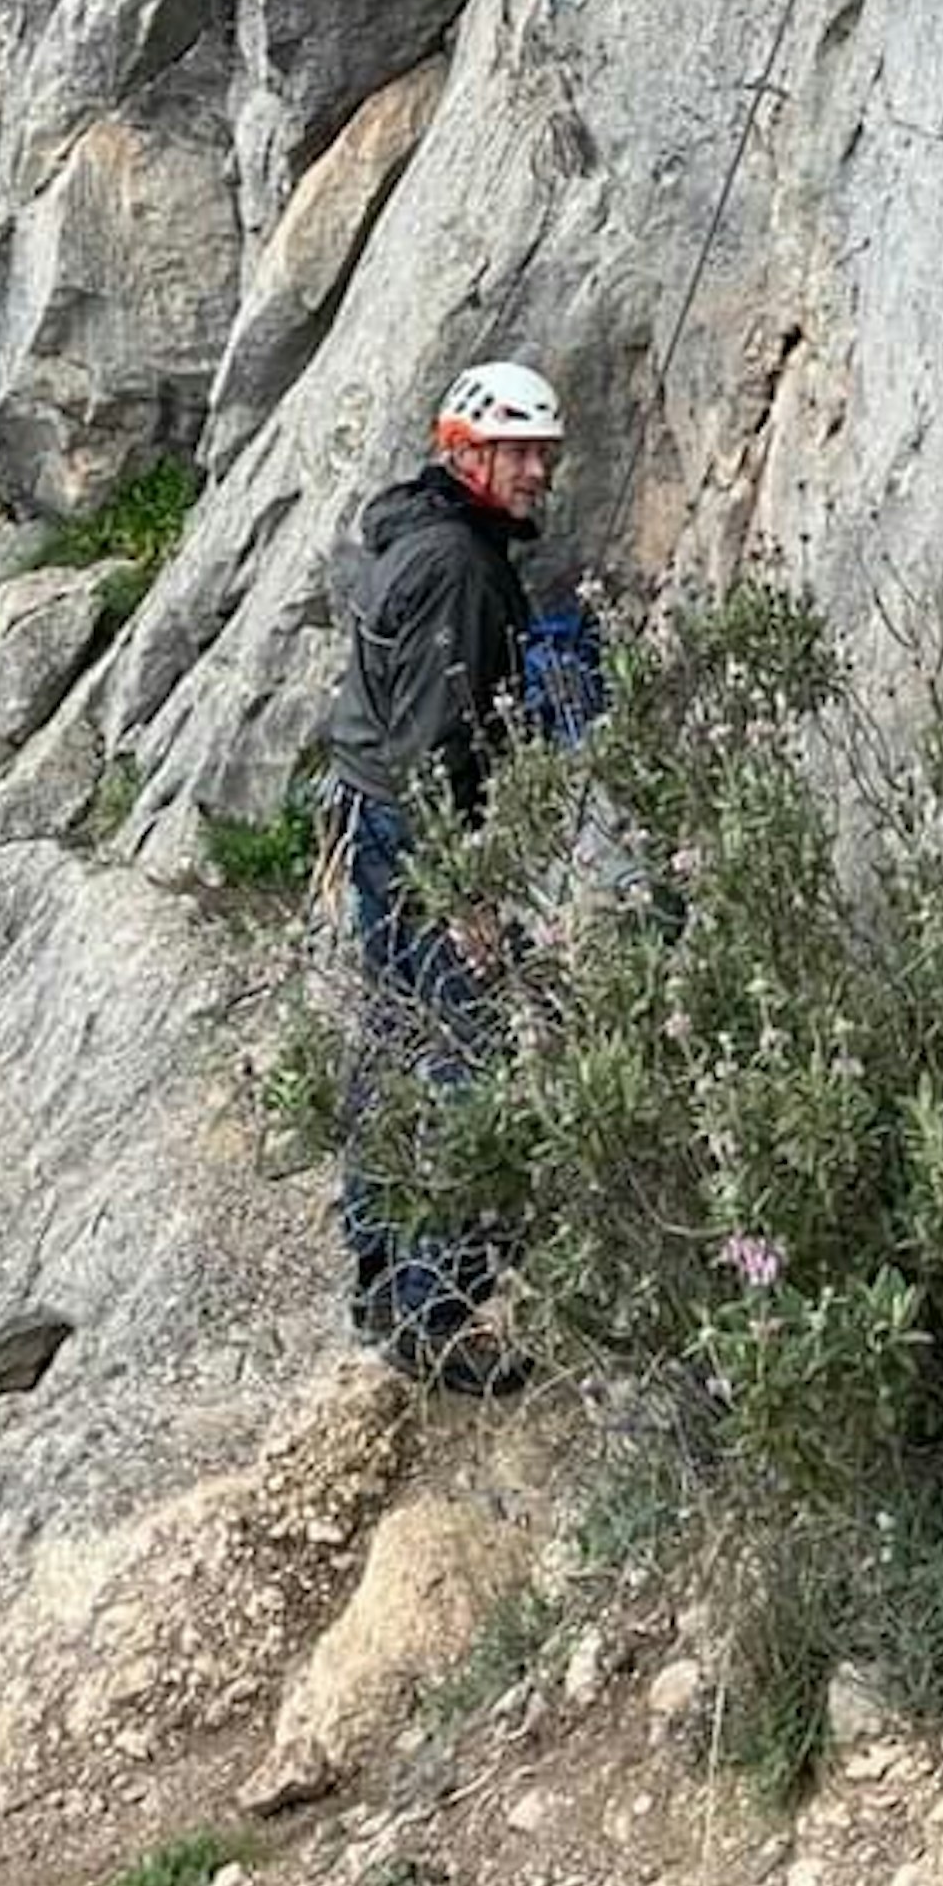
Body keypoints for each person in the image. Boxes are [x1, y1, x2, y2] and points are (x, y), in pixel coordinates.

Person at [317, 355, 605, 1394]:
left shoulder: (432, 537)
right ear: (465, 450)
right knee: (457, 1053)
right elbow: (438, 742)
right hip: (416, 832)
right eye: (519, 450)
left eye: (544, 451)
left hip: (382, 817)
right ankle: (435, 1310)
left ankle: (382, 1271)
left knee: (396, 1039)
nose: (537, 470)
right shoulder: (457, 566)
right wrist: (466, 893)